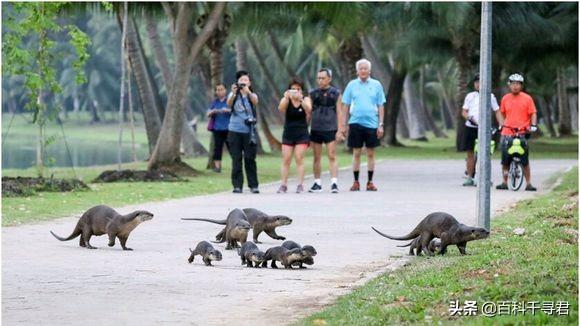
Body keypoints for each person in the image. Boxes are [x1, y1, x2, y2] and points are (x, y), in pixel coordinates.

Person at [340, 59, 386, 191]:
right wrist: (343, 125)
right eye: (361, 68)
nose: (363, 71)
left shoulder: (376, 85)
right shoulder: (352, 85)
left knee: (371, 153)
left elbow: (381, 105)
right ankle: (356, 182)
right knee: (357, 153)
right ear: (357, 71)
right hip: (355, 123)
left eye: (366, 68)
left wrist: (380, 124)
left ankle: (370, 182)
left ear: (369, 71)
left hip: (372, 124)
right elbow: (346, 105)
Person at [495, 73, 538, 191]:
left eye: (518, 84)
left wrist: (533, 125)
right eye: (513, 83)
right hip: (507, 131)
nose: (515, 86)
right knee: (505, 159)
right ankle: (504, 182)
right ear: (509, 85)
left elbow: (533, 113)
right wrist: (501, 124)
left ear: (521, 86)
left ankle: (528, 183)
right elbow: (501, 113)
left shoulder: (527, 98)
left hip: (522, 131)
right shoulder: (505, 98)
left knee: (524, 158)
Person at [460, 74, 503, 186]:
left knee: (484, 154)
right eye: (477, 82)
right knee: (470, 153)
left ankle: (485, 178)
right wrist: (469, 117)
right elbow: (464, 111)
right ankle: (470, 177)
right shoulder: (470, 96)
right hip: (471, 127)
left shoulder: (490, 96)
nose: (479, 85)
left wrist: (502, 125)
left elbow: (497, 111)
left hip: (485, 129)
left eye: (481, 82)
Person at [308, 68, 342, 193]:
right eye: (318, 78)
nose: (320, 80)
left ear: (329, 79)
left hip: (330, 128)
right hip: (316, 128)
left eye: (323, 78)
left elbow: (339, 112)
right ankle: (317, 183)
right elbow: (309, 112)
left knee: (332, 155)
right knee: (316, 157)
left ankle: (334, 183)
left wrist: (340, 129)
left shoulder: (336, 93)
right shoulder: (313, 93)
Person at [226, 70, 260, 194]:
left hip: (249, 131)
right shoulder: (233, 94)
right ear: (237, 82)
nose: (244, 82)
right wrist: (234, 93)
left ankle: (253, 185)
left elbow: (256, 101)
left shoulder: (252, 95)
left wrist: (248, 92)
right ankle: (237, 186)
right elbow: (228, 104)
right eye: (241, 80)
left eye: (246, 80)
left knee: (250, 158)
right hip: (234, 130)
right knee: (236, 159)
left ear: (250, 83)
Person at [277, 78, 312, 193]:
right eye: (293, 89)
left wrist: (300, 99)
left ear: (301, 90)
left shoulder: (305, 99)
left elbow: (309, 109)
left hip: (302, 133)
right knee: (286, 159)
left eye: (298, 89)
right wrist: (287, 97)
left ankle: (300, 185)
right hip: (288, 133)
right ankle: (283, 185)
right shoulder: (287, 99)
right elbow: (281, 108)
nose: (295, 91)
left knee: (299, 158)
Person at [207, 83, 231, 173]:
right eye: (218, 90)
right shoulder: (215, 102)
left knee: (232, 148)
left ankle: (236, 165)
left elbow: (235, 111)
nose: (220, 91)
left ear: (225, 90)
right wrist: (212, 111)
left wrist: (227, 110)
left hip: (228, 128)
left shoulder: (229, 101)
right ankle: (217, 167)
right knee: (217, 148)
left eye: (221, 89)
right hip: (217, 129)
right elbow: (208, 113)